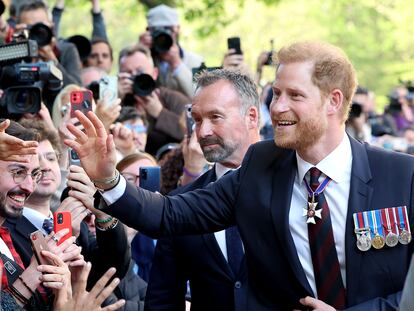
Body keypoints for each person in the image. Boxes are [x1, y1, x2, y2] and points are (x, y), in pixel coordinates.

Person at [66, 41, 414, 310]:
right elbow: (171, 214)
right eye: (276, 93)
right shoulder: (261, 165)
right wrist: (108, 177)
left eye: (294, 95)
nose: (277, 107)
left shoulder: (401, 175)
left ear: (333, 101)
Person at [146, 69, 260, 311]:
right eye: (197, 120)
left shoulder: (293, 184)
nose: (203, 132)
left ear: (251, 117)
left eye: (215, 117)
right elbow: (162, 300)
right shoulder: (180, 202)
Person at [118, 44, 189, 155]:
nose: (135, 77)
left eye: (140, 71)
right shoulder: (116, 101)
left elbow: (192, 134)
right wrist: (116, 98)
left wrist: (160, 113)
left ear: (154, 73)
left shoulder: (173, 99)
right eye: (128, 73)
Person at [141, 4, 203, 97]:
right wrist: (140, 52)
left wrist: (177, 64)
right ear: (148, 31)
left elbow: (199, 96)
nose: (162, 35)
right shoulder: (144, 58)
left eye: (167, 29)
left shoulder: (195, 61)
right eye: (156, 30)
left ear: (177, 29)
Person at [17, 1, 82, 86]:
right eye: (30, 28)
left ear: (51, 26)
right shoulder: (14, 55)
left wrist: (52, 61)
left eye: (41, 26)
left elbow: (76, 91)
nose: (37, 32)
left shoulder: (67, 50)